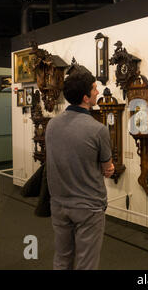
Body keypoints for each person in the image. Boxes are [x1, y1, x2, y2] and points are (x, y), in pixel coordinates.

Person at [45, 70, 114, 270]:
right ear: (85, 97)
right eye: (94, 88)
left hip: (58, 204)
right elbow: (107, 167)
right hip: (89, 208)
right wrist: (108, 168)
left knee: (62, 259)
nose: (97, 91)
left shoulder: (52, 125)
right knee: (86, 264)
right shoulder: (98, 129)